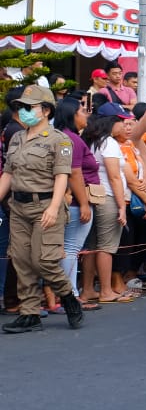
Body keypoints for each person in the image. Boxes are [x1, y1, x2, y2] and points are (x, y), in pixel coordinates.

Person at [0, 86, 85, 333]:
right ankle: (30, 314)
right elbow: (8, 174)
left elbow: (62, 176)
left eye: (29, 107)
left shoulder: (59, 139)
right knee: (21, 260)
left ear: (46, 110)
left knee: (43, 260)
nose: (23, 111)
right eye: (20, 107)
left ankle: (68, 297)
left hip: (46, 206)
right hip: (18, 207)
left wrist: (54, 207)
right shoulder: (16, 138)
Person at [80, 104, 133, 304]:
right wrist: (121, 205)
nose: (123, 124)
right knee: (106, 247)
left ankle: (87, 290)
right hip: (108, 197)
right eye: (120, 120)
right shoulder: (109, 142)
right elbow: (114, 176)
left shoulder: (91, 140)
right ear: (111, 121)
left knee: (92, 246)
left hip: (93, 196)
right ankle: (105, 290)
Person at [52, 98, 97, 305]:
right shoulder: (72, 140)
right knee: (70, 249)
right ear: (72, 115)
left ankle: (65, 295)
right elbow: (74, 173)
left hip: (70, 201)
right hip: (76, 203)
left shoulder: (63, 137)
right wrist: (84, 203)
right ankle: (71, 296)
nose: (85, 114)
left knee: (67, 248)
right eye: (81, 111)